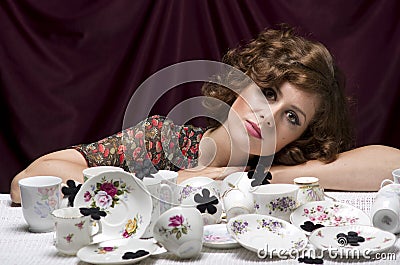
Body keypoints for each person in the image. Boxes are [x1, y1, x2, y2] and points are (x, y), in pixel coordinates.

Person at [10, 25, 400, 204]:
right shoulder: (160, 141)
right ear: (240, 82)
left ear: (299, 137)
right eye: (267, 93)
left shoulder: (282, 166)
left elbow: (392, 163)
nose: (269, 116)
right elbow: (30, 178)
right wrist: (148, 191)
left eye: (292, 117)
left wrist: (252, 176)